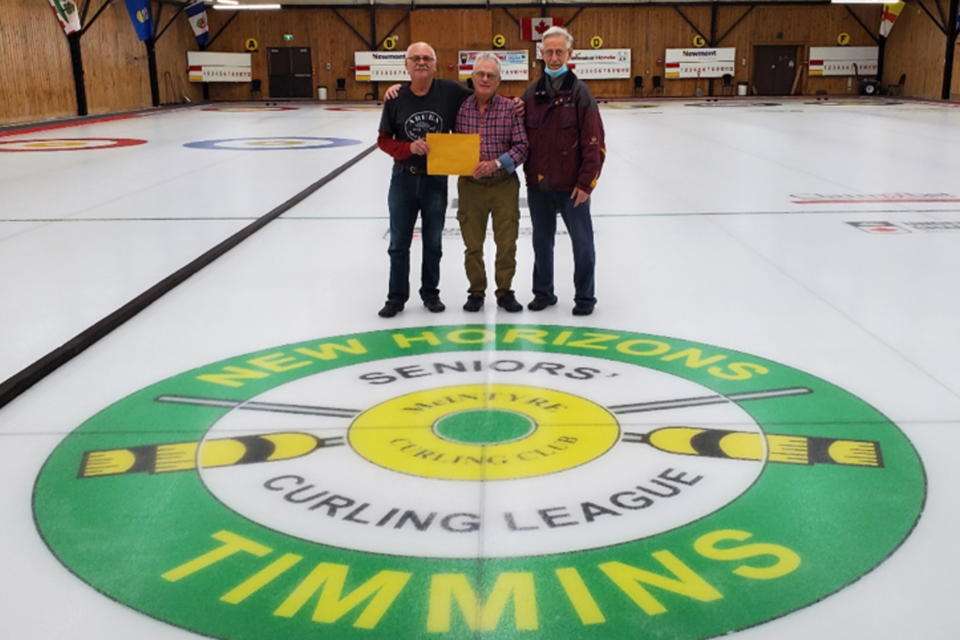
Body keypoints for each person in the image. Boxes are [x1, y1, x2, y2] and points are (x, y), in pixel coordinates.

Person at [376, 42, 472, 318]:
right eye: (415, 58)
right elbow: (383, 140)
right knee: (398, 243)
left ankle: (430, 293)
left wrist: (514, 102)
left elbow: (481, 97)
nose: (421, 62)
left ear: (435, 64)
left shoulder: (450, 91)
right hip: (404, 179)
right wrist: (408, 149)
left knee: (433, 241)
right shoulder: (395, 98)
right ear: (406, 65)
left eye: (426, 58)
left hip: (435, 180)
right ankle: (396, 298)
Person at [521, 26, 605, 316]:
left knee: (582, 244)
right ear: (541, 54)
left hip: (573, 188)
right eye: (549, 52)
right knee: (541, 242)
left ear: (570, 54)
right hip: (539, 187)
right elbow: (518, 137)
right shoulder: (531, 93)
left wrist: (586, 184)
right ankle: (543, 292)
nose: (554, 57)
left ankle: (585, 297)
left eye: (560, 52)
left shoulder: (581, 94)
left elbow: (595, 144)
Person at [454, 53, 528, 313]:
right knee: (472, 243)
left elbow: (522, 147)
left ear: (499, 80)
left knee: (506, 242)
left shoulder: (511, 109)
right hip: (470, 186)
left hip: (503, 185)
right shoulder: (459, 107)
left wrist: (497, 163)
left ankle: (505, 291)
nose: (485, 79)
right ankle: (476, 291)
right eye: (480, 74)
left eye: (491, 75)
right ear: (472, 77)